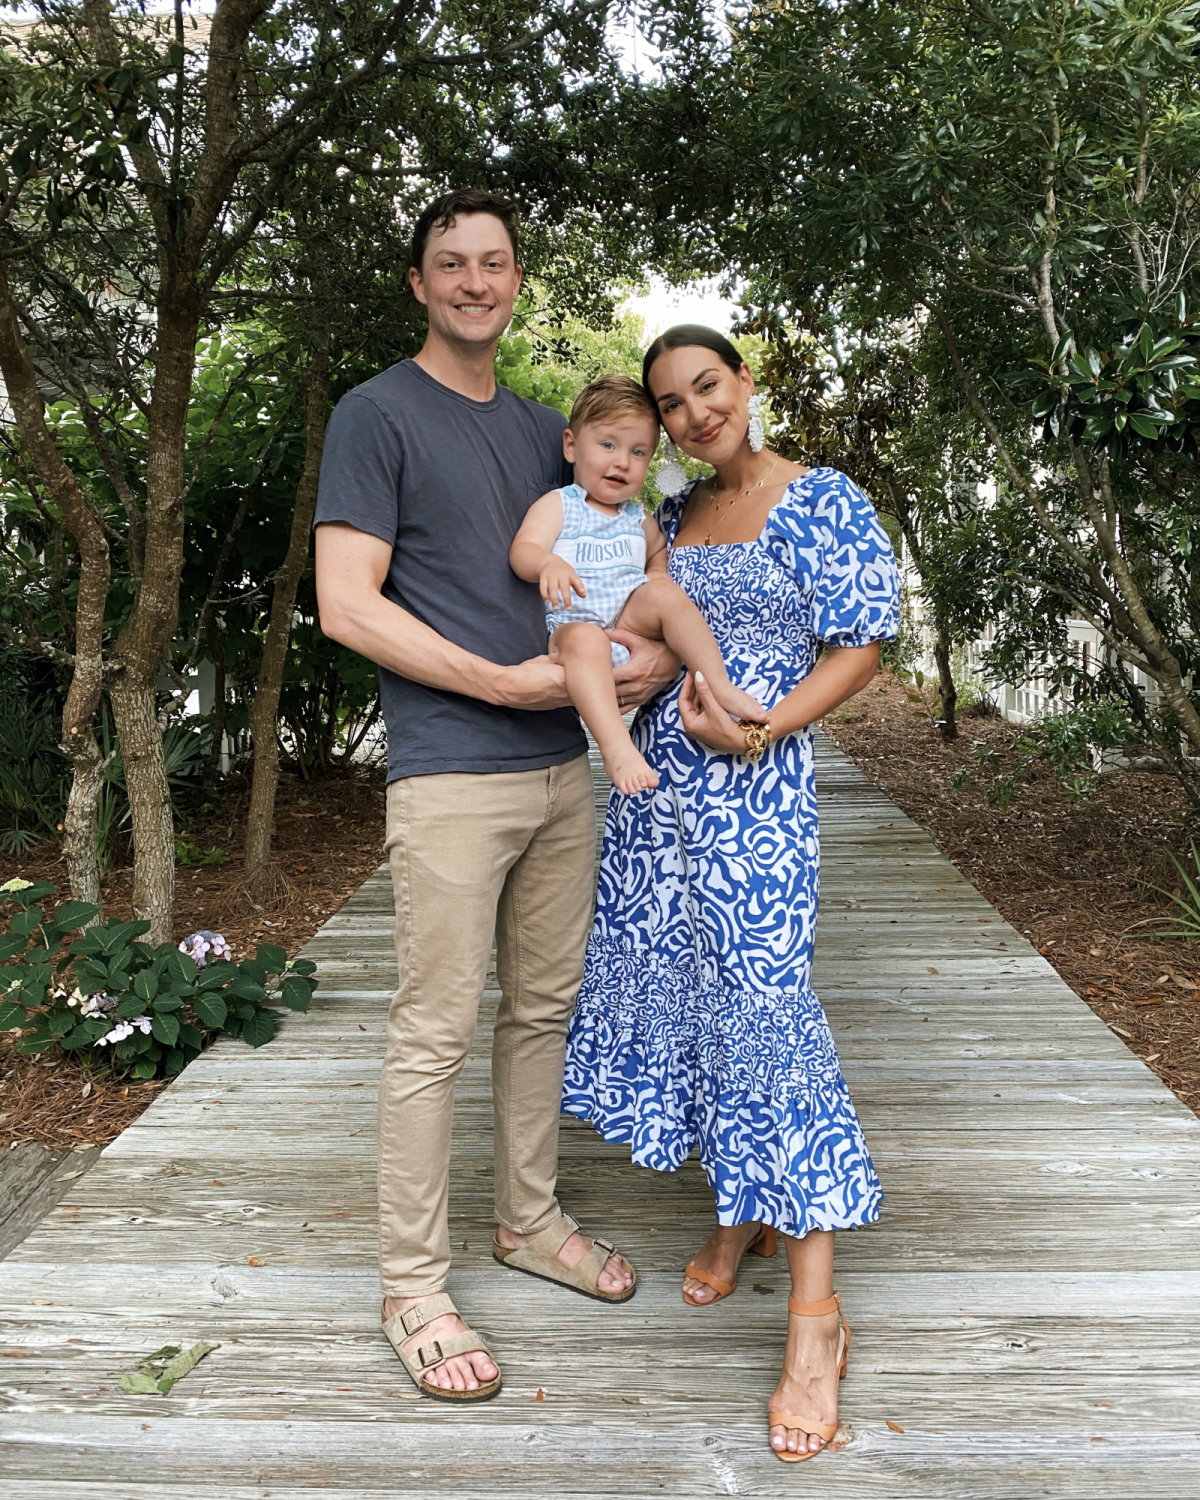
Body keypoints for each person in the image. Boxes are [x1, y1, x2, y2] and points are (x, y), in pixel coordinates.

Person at [313, 190, 677, 1403]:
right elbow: (347, 604)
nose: (475, 281)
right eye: (450, 264)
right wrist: (507, 685)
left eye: (495, 263)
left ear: (517, 279)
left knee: (542, 1013)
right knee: (435, 1032)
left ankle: (527, 1222)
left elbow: (626, 574)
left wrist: (651, 664)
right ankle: (413, 1284)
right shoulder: (376, 416)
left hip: (563, 772)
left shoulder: (544, 432)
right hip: (451, 773)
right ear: (419, 283)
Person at [561, 325, 900, 1459]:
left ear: (744, 382)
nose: (698, 413)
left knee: (768, 1019)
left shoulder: (821, 497)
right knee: (700, 1009)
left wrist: (767, 725)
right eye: (674, 403)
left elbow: (861, 643)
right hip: (657, 809)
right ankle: (738, 1211)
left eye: (710, 386)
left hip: (755, 804)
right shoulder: (667, 519)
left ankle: (817, 1322)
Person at [510, 374, 766, 795]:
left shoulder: (637, 517)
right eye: (607, 445)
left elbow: (657, 552)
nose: (622, 461)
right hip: (573, 627)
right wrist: (546, 562)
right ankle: (617, 748)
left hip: (629, 620)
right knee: (586, 640)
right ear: (572, 446)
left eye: (638, 451)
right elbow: (522, 551)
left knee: (666, 594)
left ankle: (717, 683)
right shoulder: (561, 504)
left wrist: (658, 577)